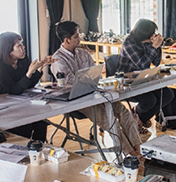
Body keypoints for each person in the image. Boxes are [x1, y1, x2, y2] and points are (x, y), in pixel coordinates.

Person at [51, 21, 143, 158]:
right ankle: (132, 155)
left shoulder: (83, 53)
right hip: (77, 100)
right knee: (110, 122)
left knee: (125, 113)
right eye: (76, 36)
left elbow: (95, 73)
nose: (80, 38)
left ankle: (139, 150)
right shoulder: (57, 59)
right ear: (67, 40)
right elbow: (70, 83)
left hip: (94, 93)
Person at [0, 32, 55, 141]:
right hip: (6, 109)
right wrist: (29, 73)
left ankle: (38, 149)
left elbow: (29, 85)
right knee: (26, 127)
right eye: (19, 45)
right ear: (9, 51)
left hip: (22, 104)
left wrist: (39, 69)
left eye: (22, 44)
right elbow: (14, 90)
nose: (23, 47)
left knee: (41, 122)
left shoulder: (23, 60)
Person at [117, 19, 174, 129]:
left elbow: (156, 62)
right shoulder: (129, 42)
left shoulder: (147, 43)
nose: (154, 35)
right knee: (150, 100)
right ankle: (138, 120)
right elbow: (141, 64)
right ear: (144, 33)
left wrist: (158, 47)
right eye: (152, 32)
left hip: (144, 78)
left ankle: (139, 118)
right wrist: (153, 47)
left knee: (167, 94)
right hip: (128, 81)